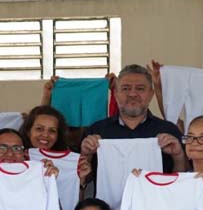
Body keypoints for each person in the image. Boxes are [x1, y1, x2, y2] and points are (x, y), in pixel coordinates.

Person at [79, 64, 187, 193]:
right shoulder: (96, 131)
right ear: (116, 93)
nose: (133, 94)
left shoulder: (169, 131)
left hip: (157, 208)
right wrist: (86, 155)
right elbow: (84, 180)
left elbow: (183, 181)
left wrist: (178, 155)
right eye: (125, 88)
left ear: (151, 94)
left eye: (140, 88)